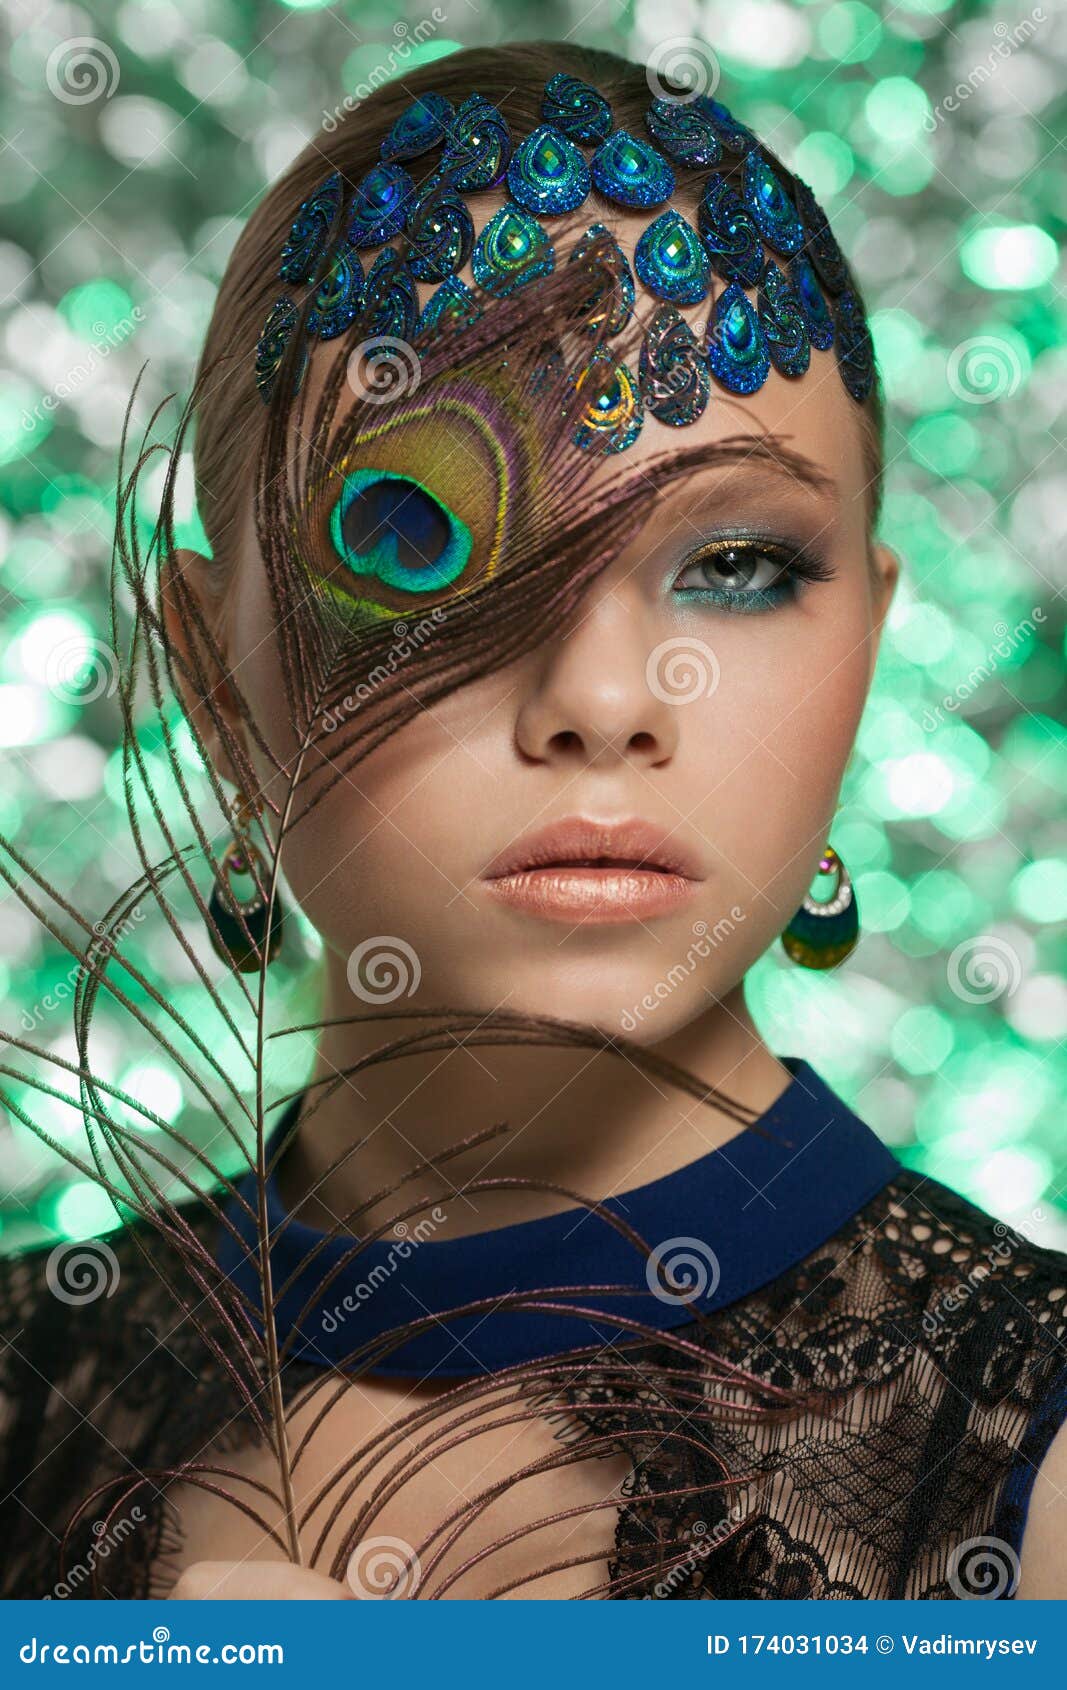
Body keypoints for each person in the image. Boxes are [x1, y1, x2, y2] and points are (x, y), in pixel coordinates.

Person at [1, 41, 1064, 1603]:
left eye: (736, 564)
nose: (604, 699)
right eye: (423, 539)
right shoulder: (28, 1391)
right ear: (207, 678)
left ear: (868, 644)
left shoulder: (1026, 1470)